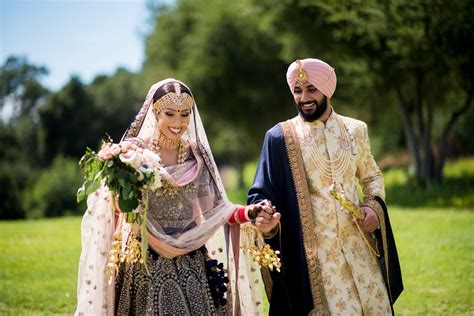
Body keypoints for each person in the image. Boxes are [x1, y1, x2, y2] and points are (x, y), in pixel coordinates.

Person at [75, 79, 270, 315]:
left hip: (191, 257)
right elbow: (115, 206)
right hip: (145, 259)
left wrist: (249, 212)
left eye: (184, 114)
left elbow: (215, 210)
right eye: (170, 114)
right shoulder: (132, 153)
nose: (178, 123)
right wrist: (128, 198)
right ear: (155, 112)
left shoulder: (196, 154)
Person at [248, 58, 403, 315]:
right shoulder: (280, 138)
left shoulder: (356, 130)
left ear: (327, 89)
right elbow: (261, 195)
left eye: (311, 89)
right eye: (297, 91)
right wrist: (264, 218)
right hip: (316, 262)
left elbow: (371, 176)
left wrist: (373, 207)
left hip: (361, 252)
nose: (304, 97)